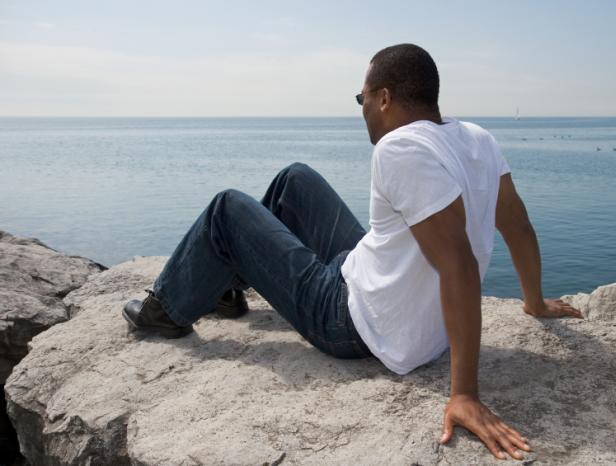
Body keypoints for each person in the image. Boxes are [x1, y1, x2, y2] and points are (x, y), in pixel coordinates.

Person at [122, 43, 583, 460]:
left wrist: (463, 394)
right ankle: (224, 286)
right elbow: (516, 224)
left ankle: (167, 309)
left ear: (384, 98)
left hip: (353, 324)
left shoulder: (398, 148)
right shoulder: (476, 138)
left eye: (361, 98)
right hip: (377, 285)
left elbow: (457, 263)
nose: (361, 109)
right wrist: (534, 301)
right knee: (294, 180)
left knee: (225, 209)